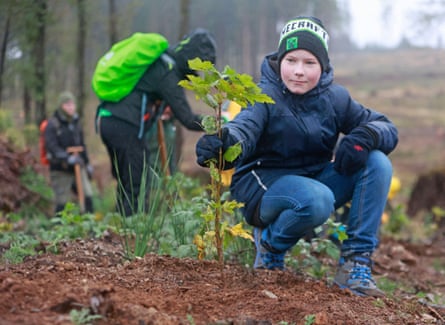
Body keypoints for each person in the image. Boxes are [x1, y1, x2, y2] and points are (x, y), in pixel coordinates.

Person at [195, 16, 398, 297]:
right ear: (280, 62)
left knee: (377, 162)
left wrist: (366, 137)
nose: (298, 71)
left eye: (309, 63)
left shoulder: (336, 99)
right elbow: (245, 127)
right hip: (263, 187)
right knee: (318, 199)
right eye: (291, 61)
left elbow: (385, 126)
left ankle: (355, 263)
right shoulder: (262, 95)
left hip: (312, 182)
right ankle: (269, 248)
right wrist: (226, 143)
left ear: (323, 66)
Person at [98, 28, 216, 217]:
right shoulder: (168, 73)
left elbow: (173, 109)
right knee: (137, 182)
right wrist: (217, 122)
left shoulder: (160, 63)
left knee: (127, 181)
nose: (195, 73)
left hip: (107, 120)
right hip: (124, 125)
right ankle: (132, 234)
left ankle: (121, 231)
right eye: (196, 68)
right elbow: (187, 118)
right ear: (191, 59)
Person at [44, 91, 94, 215]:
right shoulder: (52, 124)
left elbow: (82, 145)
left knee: (87, 195)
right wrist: (67, 158)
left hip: (78, 165)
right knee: (62, 202)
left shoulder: (76, 122)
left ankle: (91, 226)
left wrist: (87, 163)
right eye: (67, 105)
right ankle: (59, 229)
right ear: (61, 106)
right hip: (60, 168)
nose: (71, 107)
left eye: (72, 104)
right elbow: (52, 147)